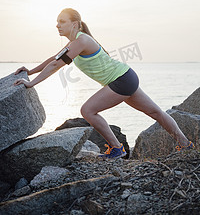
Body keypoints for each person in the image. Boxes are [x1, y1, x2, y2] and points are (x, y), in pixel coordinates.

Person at [14, 8, 194, 159]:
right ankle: (186, 145)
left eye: (62, 21)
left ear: (74, 24)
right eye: (57, 22)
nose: (57, 25)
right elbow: (53, 58)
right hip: (126, 76)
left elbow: (56, 65)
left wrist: (31, 84)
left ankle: (117, 149)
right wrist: (30, 72)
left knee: (88, 110)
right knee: (156, 112)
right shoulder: (75, 42)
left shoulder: (81, 40)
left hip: (121, 80)